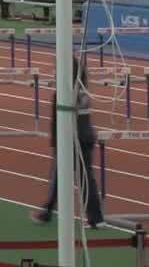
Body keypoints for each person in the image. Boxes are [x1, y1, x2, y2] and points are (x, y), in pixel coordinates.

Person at [31, 59, 103, 228]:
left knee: (60, 178)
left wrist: (56, 145)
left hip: (70, 140)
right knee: (84, 179)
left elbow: (58, 122)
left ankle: (48, 212)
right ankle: (96, 218)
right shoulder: (83, 92)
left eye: (57, 70)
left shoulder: (62, 94)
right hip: (86, 138)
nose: (54, 73)